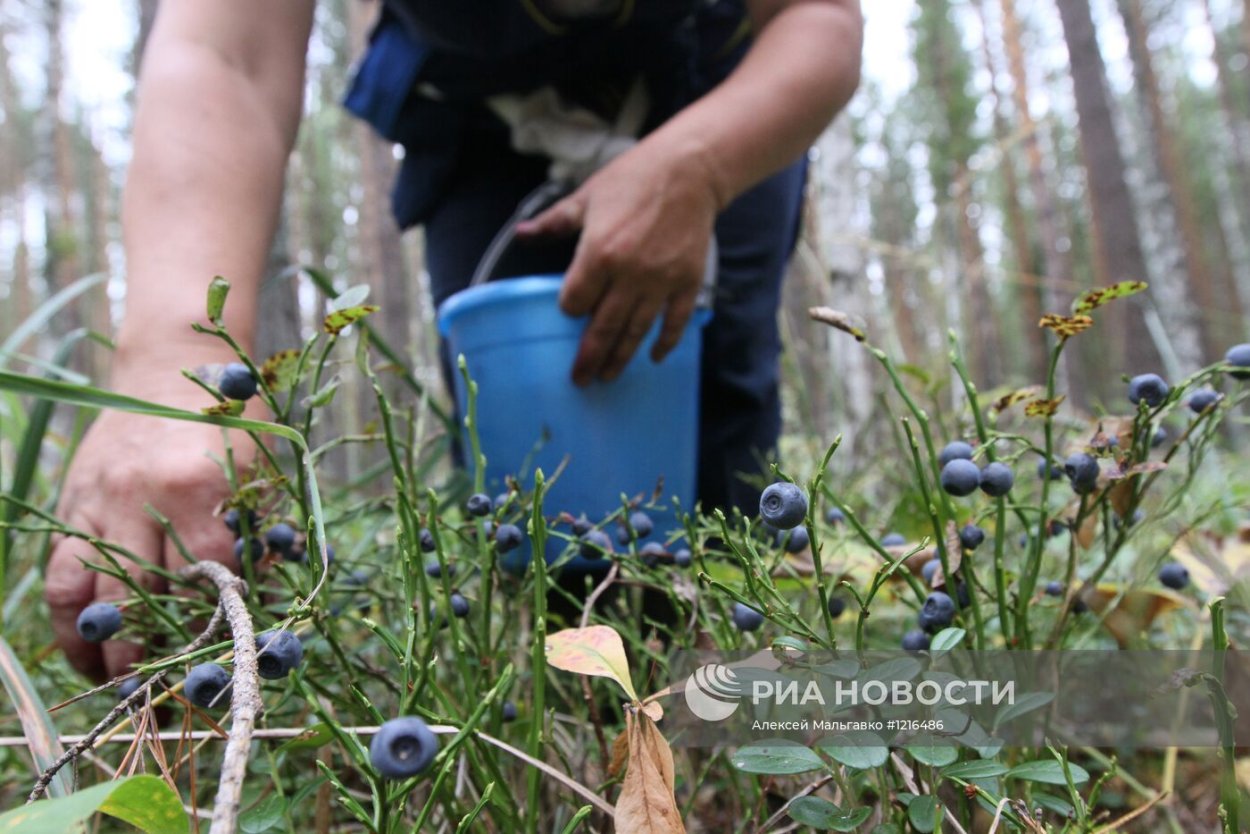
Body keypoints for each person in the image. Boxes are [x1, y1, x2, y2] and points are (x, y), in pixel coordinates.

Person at [45, 0, 864, 680]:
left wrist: (700, 168)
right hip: (480, 113)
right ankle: (577, 718)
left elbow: (819, 17)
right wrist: (172, 362)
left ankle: (743, 722)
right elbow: (226, 50)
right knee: (520, 482)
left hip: (725, 85)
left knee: (723, 452)